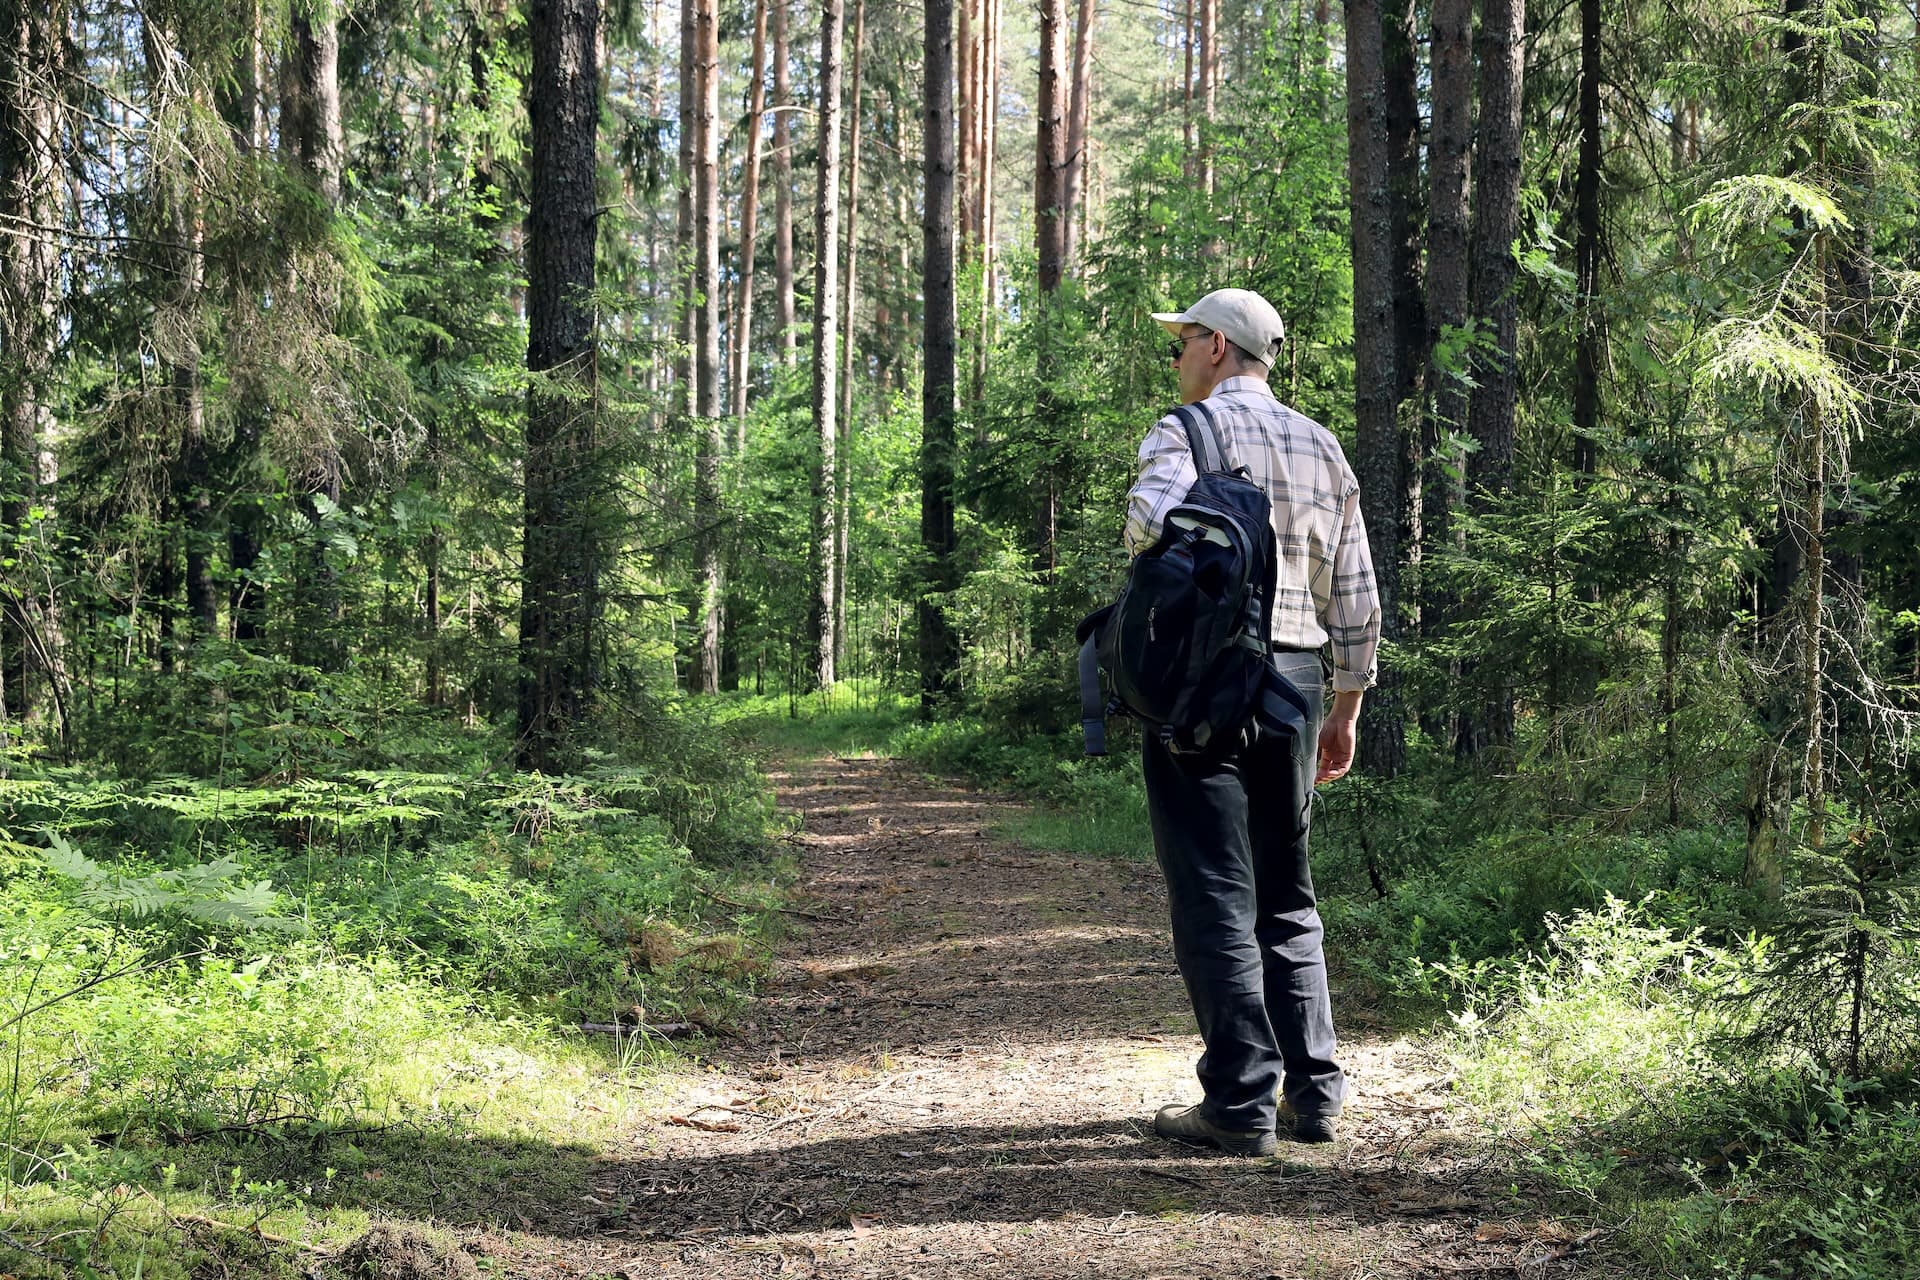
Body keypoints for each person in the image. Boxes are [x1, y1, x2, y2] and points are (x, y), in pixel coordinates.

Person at [1124, 288, 1380, 1156]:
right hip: (1301, 683)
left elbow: (1145, 529)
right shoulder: (1323, 445)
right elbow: (1357, 595)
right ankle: (1314, 1098)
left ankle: (1238, 1105)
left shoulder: (1186, 433)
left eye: (1183, 342)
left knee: (1213, 889)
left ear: (1220, 349)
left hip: (1208, 686)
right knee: (1289, 893)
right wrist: (1344, 709)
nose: (1178, 358)